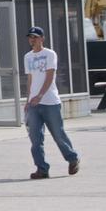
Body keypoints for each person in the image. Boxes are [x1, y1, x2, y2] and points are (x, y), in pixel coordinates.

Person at [23, 25, 80, 179]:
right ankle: (42, 169)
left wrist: (40, 95)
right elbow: (30, 79)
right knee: (35, 139)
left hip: (50, 102)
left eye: (35, 37)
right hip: (34, 104)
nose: (32, 40)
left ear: (42, 38)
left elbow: (49, 76)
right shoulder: (28, 57)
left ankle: (72, 158)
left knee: (58, 134)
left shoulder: (49, 54)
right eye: (30, 37)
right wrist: (28, 100)